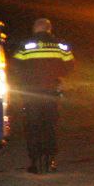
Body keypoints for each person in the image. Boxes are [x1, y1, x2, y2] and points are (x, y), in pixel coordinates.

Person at [13, 18, 76, 173]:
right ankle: (50, 160)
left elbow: (15, 66)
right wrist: (58, 76)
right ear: (49, 29)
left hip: (31, 93)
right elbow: (70, 66)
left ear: (35, 28)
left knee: (33, 126)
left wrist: (24, 80)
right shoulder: (60, 45)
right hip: (51, 92)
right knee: (50, 126)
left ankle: (35, 162)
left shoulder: (26, 45)